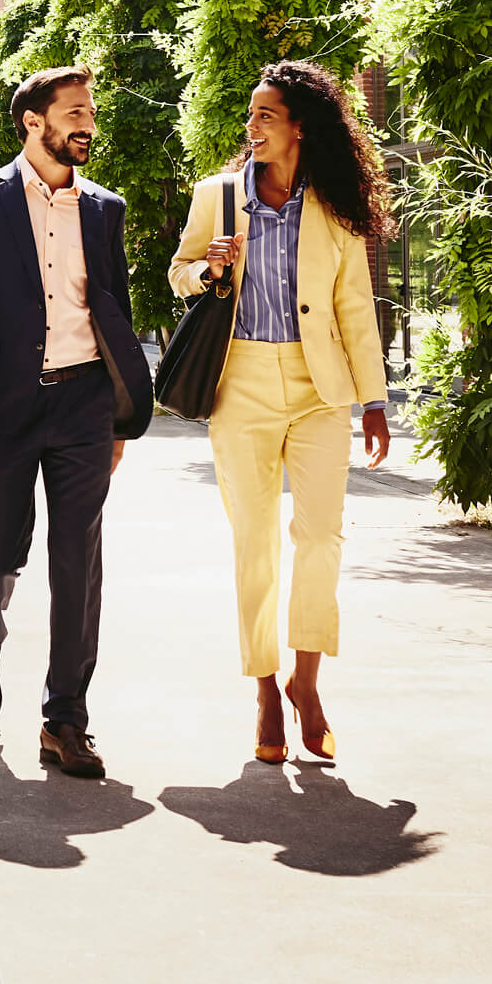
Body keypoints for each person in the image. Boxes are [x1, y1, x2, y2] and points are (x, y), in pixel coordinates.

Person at [0, 66, 154, 780]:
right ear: (33, 122)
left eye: (90, 113)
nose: (87, 124)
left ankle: (65, 722)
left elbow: (113, 308)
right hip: (2, 403)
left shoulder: (103, 208)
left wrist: (118, 412)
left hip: (84, 404)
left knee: (80, 561)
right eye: (75, 112)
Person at [166, 60, 394, 765]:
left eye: (267, 115)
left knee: (321, 537)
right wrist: (209, 265)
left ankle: (308, 680)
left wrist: (374, 400)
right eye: (251, 115)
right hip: (242, 386)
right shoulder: (219, 195)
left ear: (300, 125)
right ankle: (265, 688)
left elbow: (355, 308)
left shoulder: (333, 205)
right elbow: (178, 275)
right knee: (255, 540)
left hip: (319, 388)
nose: (253, 126)